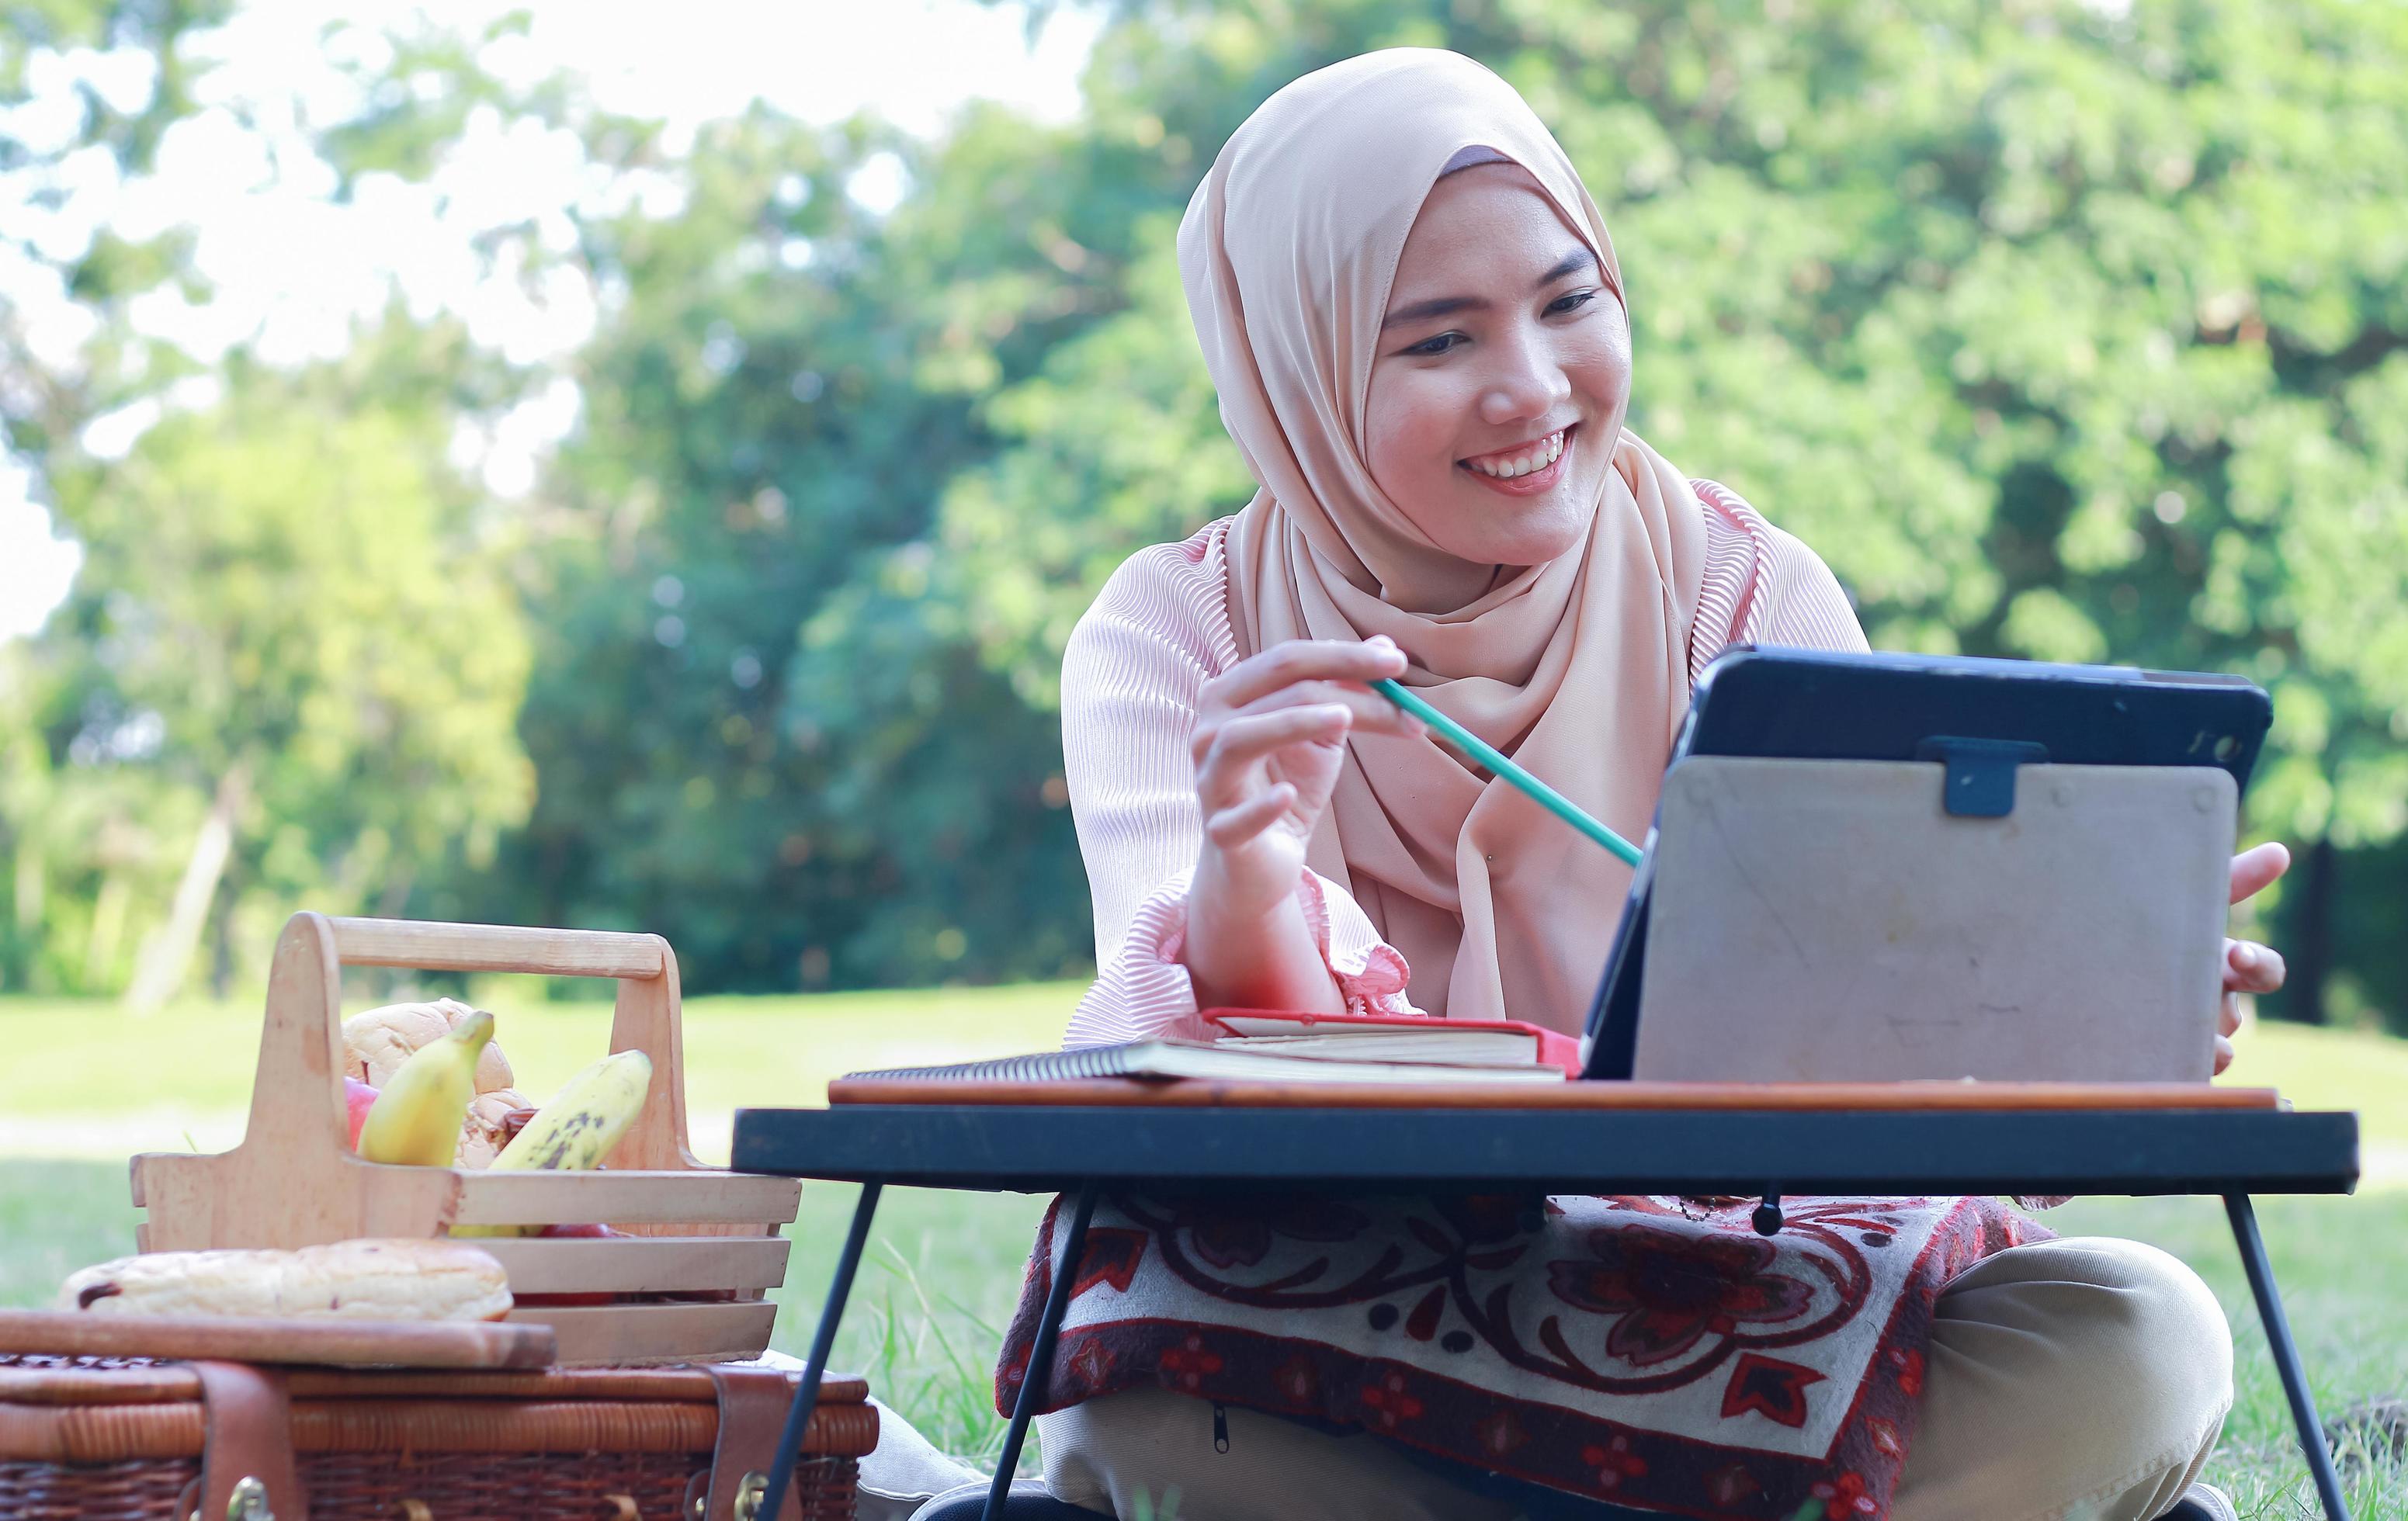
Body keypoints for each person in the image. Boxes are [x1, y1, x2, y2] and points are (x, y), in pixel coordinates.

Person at [1016, 47, 2289, 1521]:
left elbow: (1890, 1045)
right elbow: (1167, 1089)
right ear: (1290, 371)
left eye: (1569, 302)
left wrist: (2085, 1010)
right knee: (1165, 1413)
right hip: (1342, 1299)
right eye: (1435, 342)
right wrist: (1243, 889)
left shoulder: (1741, 589)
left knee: (2138, 1335)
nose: (1532, 387)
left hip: (1738, 1299)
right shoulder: (1179, 631)